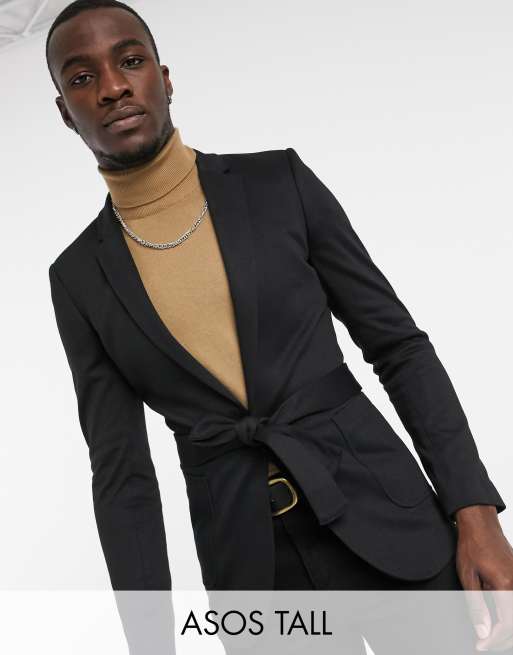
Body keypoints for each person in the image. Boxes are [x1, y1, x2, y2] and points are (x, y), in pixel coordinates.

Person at [46, 0, 513, 636]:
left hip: (390, 522)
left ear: (165, 77)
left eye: (130, 61)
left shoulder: (278, 183)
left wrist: (475, 511)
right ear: (65, 112)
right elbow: (121, 474)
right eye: (82, 77)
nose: (113, 87)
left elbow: (398, 346)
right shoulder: (77, 278)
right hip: (255, 582)